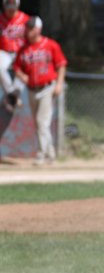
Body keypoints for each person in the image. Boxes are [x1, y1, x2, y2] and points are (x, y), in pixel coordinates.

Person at [12, 16, 66, 165]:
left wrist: (59, 84)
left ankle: (42, 154)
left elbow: (61, 65)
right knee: (38, 123)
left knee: (42, 121)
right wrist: (22, 76)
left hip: (47, 87)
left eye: (31, 28)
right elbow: (16, 67)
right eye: (27, 28)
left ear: (38, 29)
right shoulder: (24, 49)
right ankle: (50, 154)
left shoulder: (50, 45)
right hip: (31, 89)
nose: (28, 30)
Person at [1, 0, 30, 110]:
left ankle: (14, 97)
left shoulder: (25, 19)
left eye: (13, 8)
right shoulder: (0, 19)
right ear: (4, 6)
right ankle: (11, 94)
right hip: (4, 51)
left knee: (23, 69)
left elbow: (32, 36)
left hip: (21, 52)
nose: (11, 11)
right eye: (9, 8)